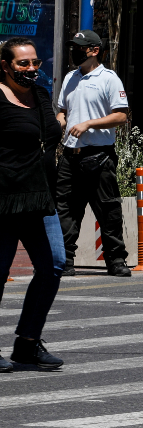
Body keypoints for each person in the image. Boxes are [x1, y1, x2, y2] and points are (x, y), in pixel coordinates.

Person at [0, 37, 64, 371]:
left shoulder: (40, 96)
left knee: (53, 264)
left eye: (35, 63)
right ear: (5, 65)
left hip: (41, 197)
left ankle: (27, 343)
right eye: (23, 63)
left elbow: (50, 134)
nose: (31, 69)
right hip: (5, 200)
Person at [55, 30, 131, 277]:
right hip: (70, 155)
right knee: (65, 209)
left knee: (108, 210)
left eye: (80, 47)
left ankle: (116, 260)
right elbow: (62, 111)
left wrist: (88, 123)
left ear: (94, 50)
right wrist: (59, 123)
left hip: (99, 155)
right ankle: (64, 261)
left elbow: (121, 115)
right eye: (73, 47)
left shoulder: (109, 79)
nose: (75, 51)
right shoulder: (70, 78)